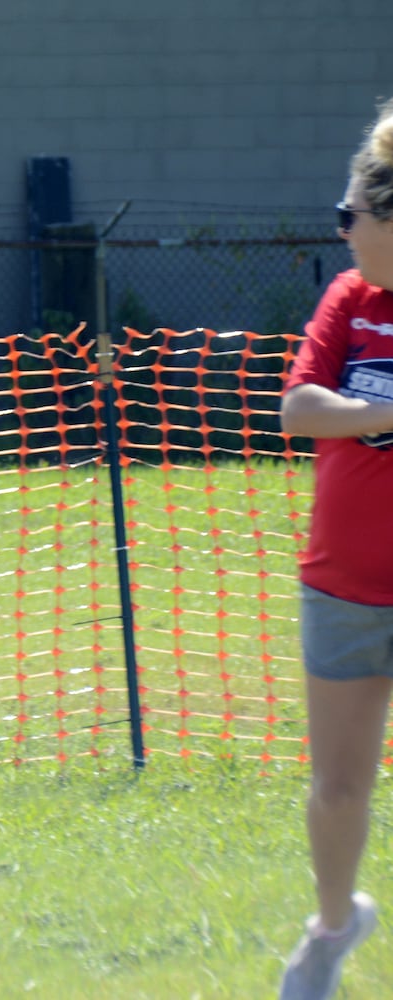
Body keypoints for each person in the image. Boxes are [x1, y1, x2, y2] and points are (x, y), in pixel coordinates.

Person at [278, 99, 393, 998]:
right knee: (338, 789)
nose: (342, 229)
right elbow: (299, 410)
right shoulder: (348, 300)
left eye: (349, 214)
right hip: (345, 587)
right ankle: (330, 928)